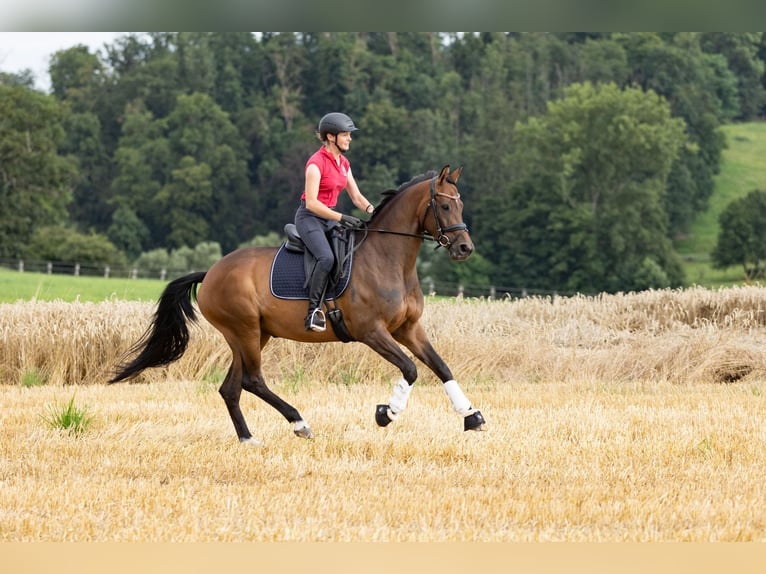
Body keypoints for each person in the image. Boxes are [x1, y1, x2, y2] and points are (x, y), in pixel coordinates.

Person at [295, 112, 375, 332]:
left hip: (329, 217)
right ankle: (313, 312)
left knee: (351, 251)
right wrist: (342, 217)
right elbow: (311, 203)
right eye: (345, 135)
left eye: (350, 135)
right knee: (327, 257)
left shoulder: (343, 163)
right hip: (310, 218)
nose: (349, 139)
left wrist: (373, 211)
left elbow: (357, 197)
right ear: (331, 136)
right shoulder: (315, 163)